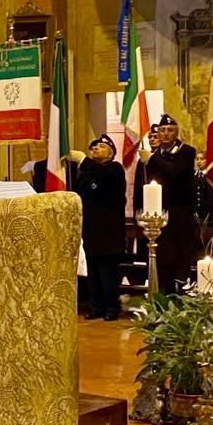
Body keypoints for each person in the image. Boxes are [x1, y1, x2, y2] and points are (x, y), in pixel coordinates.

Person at [142, 114, 199, 290]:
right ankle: (161, 296)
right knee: (162, 260)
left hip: (180, 214)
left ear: (176, 133)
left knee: (180, 259)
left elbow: (175, 172)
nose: (165, 134)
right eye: (162, 130)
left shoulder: (186, 152)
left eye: (170, 130)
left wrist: (152, 159)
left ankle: (180, 294)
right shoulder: (154, 155)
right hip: (158, 213)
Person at [79, 135, 127, 320]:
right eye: (94, 147)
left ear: (111, 153)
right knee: (92, 272)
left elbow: (104, 175)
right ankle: (96, 306)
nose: (95, 149)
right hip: (91, 230)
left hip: (109, 232)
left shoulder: (115, 169)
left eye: (101, 146)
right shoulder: (88, 173)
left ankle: (111, 307)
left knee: (107, 273)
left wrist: (84, 161)